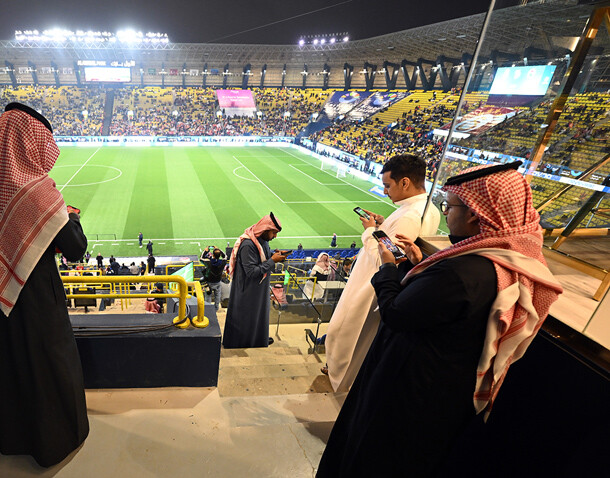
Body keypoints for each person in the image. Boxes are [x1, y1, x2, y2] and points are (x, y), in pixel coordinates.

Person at [316, 161, 562, 477]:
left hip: (410, 391)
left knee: (373, 455)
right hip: (446, 393)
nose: (446, 212)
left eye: (450, 205)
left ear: (476, 213)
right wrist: (418, 264)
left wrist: (390, 268)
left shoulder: (463, 273)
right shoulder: (507, 263)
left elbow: (396, 313)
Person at [0, 103, 89, 467]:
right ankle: (56, 441)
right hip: (39, 296)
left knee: (10, 361)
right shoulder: (38, 191)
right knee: (49, 361)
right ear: (31, 140)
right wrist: (70, 218)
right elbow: (75, 249)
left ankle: (14, 437)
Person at [323, 154, 441, 388]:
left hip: (370, 286)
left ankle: (341, 378)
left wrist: (369, 231)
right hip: (380, 284)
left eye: (388, 185)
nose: (385, 191)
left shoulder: (410, 214)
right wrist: (382, 224)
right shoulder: (425, 208)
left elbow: (388, 256)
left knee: (346, 332)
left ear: (405, 182)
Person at [223, 213, 286, 348]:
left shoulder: (262, 241)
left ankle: (258, 339)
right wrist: (272, 260)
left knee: (258, 316)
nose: (275, 236)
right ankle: (245, 342)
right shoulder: (248, 245)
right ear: (266, 229)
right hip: (248, 291)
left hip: (257, 289)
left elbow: (262, 257)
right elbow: (251, 272)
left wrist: (274, 255)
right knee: (247, 317)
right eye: (274, 233)